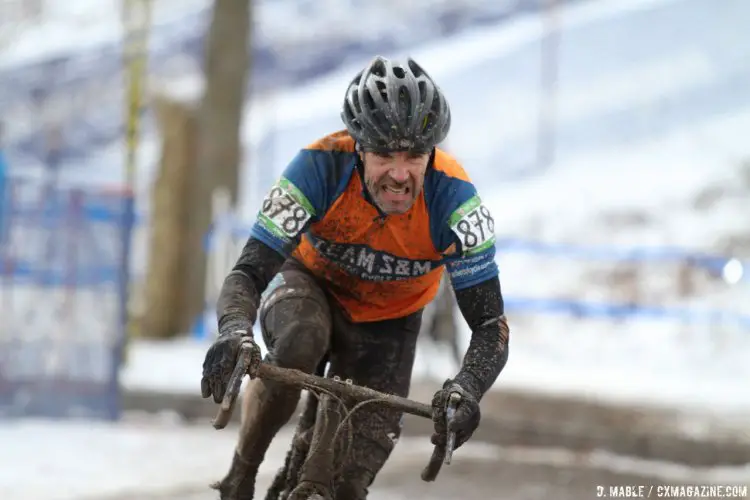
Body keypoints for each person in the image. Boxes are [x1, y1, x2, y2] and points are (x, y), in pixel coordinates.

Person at [201, 55, 510, 500]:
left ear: (432, 155)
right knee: (299, 341)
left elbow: (489, 325)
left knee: (347, 486)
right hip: (310, 287)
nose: (400, 174)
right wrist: (234, 331)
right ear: (358, 145)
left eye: (415, 156)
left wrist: (467, 388)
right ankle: (241, 473)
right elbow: (248, 271)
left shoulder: (456, 201)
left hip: (390, 320)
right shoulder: (317, 166)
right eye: (384, 154)